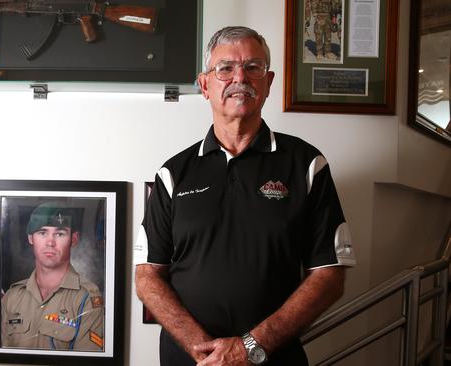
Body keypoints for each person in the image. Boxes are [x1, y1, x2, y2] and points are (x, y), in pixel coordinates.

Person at [134, 26, 356, 366]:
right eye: (225, 68)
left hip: (273, 359)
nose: (240, 77)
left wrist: (251, 347)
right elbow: (148, 276)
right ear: (205, 85)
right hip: (191, 360)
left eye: (253, 67)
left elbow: (329, 275)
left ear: (268, 82)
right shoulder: (172, 173)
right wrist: (203, 350)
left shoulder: (307, 164)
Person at [1, 202, 105, 351]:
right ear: (31, 238)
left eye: (59, 234)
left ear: (73, 239)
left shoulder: (86, 297)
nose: (50, 242)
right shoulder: (12, 297)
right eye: (42, 233)